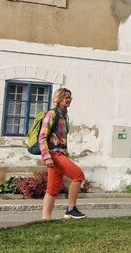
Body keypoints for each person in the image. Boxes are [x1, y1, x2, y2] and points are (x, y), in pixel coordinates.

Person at [39, 87, 87, 220]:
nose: (69, 100)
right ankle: (71, 209)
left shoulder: (64, 115)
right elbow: (42, 137)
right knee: (78, 175)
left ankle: (45, 219)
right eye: (66, 97)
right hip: (53, 154)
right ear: (59, 98)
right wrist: (46, 156)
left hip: (60, 154)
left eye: (70, 98)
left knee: (52, 189)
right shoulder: (52, 114)